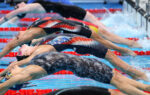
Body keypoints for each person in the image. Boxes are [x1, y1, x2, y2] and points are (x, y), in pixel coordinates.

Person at [0, 33, 147, 81]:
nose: (21, 47)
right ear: (27, 54)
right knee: (120, 64)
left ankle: (142, 76)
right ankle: (144, 77)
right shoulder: (39, 51)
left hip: (83, 43)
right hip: (86, 44)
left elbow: (56, 34)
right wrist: (2, 74)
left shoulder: (39, 45)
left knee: (120, 65)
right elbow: (17, 64)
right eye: (21, 51)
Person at [0, 51, 150, 95]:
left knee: (119, 78)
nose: (10, 68)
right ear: (12, 77)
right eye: (8, 72)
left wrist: (4, 76)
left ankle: (146, 88)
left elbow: (10, 71)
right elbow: (5, 84)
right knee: (118, 82)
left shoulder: (29, 65)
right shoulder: (24, 75)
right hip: (84, 67)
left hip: (85, 62)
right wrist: (5, 79)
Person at [0, 0, 141, 48]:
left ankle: (127, 39)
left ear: (19, 5)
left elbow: (9, 16)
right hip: (69, 12)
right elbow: (15, 17)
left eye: (16, 8)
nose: (16, 10)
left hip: (74, 12)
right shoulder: (32, 4)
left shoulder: (27, 6)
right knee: (101, 27)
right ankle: (123, 36)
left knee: (102, 29)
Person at [0, 17, 136, 60]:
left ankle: (126, 48)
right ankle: (126, 49)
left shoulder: (30, 33)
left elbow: (10, 46)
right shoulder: (30, 36)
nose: (16, 35)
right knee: (102, 40)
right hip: (71, 27)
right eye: (21, 46)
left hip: (69, 25)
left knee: (103, 38)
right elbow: (10, 46)